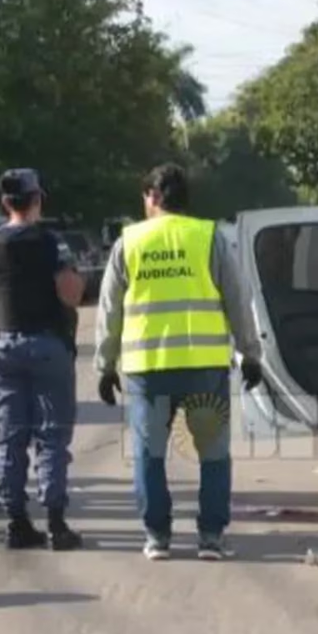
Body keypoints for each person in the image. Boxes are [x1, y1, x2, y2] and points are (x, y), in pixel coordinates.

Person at [94, 162, 263, 562]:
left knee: (149, 454)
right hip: (203, 367)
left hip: (147, 370)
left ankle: (157, 536)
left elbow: (109, 309)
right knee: (213, 454)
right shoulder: (209, 237)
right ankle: (211, 537)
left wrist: (104, 365)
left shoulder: (129, 242)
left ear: (153, 197)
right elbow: (237, 300)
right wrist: (250, 353)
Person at [0, 169, 86, 550]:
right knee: (52, 437)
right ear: (37, 199)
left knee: (11, 436)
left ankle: (16, 521)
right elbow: (69, 294)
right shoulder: (52, 243)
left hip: (3, 349)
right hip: (48, 346)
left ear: (6, 203)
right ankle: (55, 522)